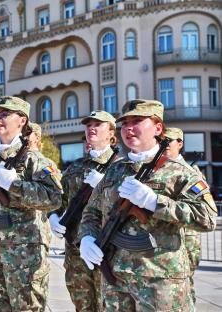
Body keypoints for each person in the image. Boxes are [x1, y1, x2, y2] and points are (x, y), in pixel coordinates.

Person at [78, 99, 218, 311]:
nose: (128, 128)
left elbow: (207, 217)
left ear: (158, 128)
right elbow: (92, 212)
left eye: (137, 121)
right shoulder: (115, 171)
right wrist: (86, 238)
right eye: (124, 123)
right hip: (115, 277)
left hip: (160, 280)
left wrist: (155, 202)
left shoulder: (179, 172)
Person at [0, 96, 63, 311]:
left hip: (24, 255)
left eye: (5, 114)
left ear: (22, 120)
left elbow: (54, 197)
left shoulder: (34, 160)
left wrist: (14, 185)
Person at [49, 111, 119, 311]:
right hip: (75, 251)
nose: (92, 128)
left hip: (107, 249)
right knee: (82, 304)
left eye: (98, 124)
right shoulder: (75, 167)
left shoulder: (120, 165)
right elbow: (59, 200)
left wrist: (105, 187)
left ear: (111, 131)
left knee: (109, 304)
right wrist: (53, 216)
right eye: (88, 125)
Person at [164, 127, 204, 304]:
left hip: (187, 234)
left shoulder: (191, 171)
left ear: (179, 143)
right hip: (167, 236)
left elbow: (200, 204)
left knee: (186, 281)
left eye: (169, 141)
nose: (164, 145)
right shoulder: (159, 169)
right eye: (162, 141)